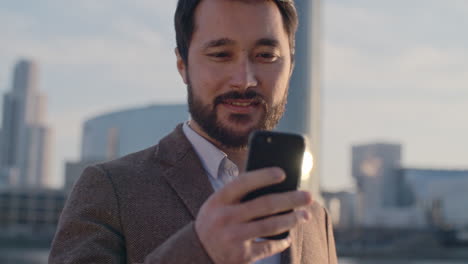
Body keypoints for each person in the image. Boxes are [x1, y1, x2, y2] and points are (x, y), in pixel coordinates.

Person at [49, 0, 338, 263]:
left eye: (265, 55)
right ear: (182, 66)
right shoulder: (109, 189)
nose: (244, 80)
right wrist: (198, 250)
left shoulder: (314, 218)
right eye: (221, 54)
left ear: (291, 67)